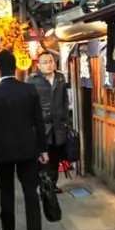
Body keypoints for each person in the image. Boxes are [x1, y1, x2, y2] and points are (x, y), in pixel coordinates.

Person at [0, 50, 48, 230]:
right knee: (31, 193)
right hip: (28, 148)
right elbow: (39, 121)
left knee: (6, 191)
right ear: (16, 67)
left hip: (3, 149)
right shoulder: (29, 90)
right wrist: (43, 149)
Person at [28, 50, 70, 187]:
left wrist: (65, 119)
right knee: (42, 156)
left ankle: (52, 184)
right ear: (39, 65)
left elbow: (64, 100)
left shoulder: (60, 78)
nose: (49, 65)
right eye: (45, 62)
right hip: (42, 126)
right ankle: (43, 184)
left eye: (51, 61)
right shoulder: (33, 80)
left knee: (56, 156)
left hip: (58, 125)